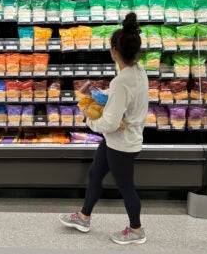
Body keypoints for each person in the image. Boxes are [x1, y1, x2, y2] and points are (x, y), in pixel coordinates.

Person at [59, 12, 149, 245]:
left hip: (122, 142)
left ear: (114, 52)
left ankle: (137, 230)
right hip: (119, 140)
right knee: (95, 174)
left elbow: (109, 122)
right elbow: (124, 100)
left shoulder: (122, 81)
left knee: (126, 188)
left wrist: (89, 121)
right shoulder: (139, 71)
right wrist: (103, 96)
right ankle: (83, 217)